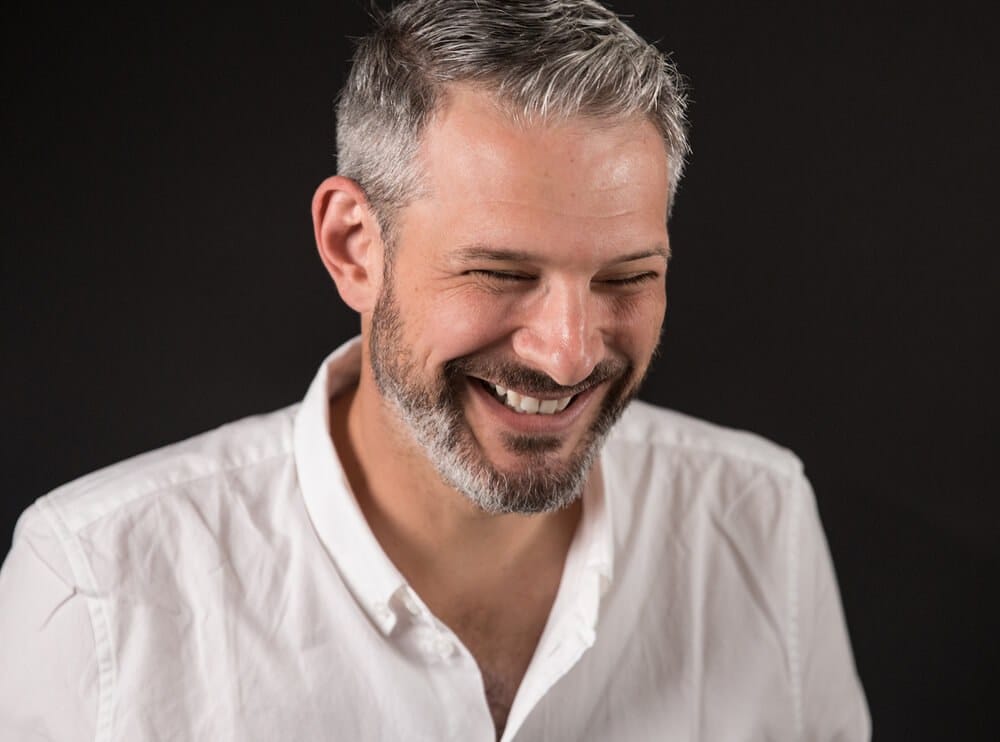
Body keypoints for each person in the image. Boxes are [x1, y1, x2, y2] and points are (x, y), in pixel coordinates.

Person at [0, 1, 870, 739]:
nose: (567, 351)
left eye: (627, 277)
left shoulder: (760, 521)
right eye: (500, 273)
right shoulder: (96, 588)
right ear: (353, 248)